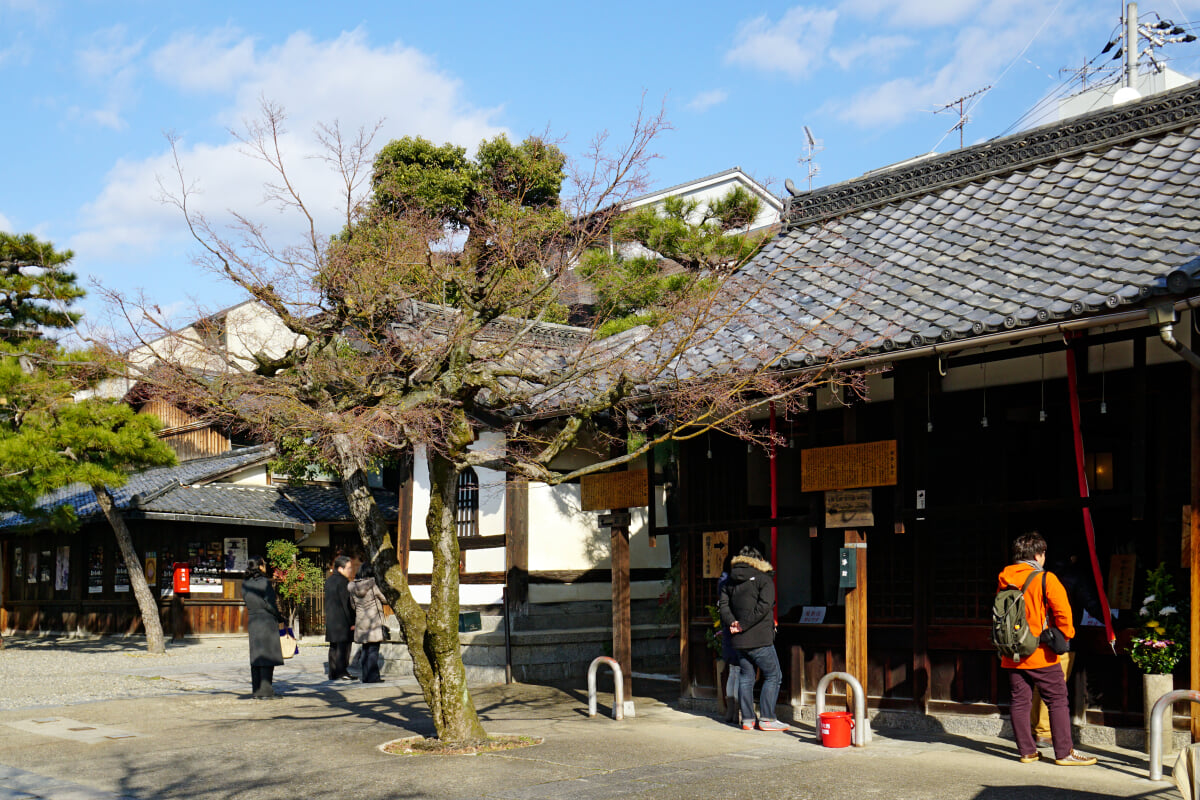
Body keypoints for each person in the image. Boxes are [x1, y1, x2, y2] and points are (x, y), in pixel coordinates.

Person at [998, 531, 1096, 766]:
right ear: (1039, 555)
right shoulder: (1046, 578)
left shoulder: (1005, 577)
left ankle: (1027, 752)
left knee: (1020, 700)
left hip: (1012, 651)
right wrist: (1064, 637)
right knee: (1058, 699)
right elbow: (1064, 613)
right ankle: (1064, 752)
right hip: (1040, 652)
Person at [1030, 552, 1103, 748]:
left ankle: (1036, 727)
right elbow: (1091, 604)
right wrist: (1113, 622)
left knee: (1040, 683)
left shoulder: (1041, 575)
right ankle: (1044, 732)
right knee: (1054, 686)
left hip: (1040, 635)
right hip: (1062, 638)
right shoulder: (1074, 576)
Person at [718, 545, 788, 732]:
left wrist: (733, 622)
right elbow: (764, 607)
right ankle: (767, 718)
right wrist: (744, 624)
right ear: (759, 560)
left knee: (746, 676)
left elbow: (723, 606)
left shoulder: (729, 581)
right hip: (759, 639)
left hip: (738, 640)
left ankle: (747, 720)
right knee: (774, 675)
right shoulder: (764, 580)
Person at [242, 556, 284, 699]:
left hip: (253, 619)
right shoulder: (264, 582)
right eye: (264, 564)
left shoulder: (245, 583)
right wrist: (279, 617)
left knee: (256, 656)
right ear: (260, 566)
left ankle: (257, 690)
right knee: (267, 655)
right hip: (266, 620)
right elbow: (270, 604)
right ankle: (266, 691)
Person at [349, 563, 389, 683]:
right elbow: (385, 600)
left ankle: (365, 676)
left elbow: (352, 605)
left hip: (361, 621)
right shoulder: (372, 586)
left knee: (365, 649)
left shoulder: (353, 588)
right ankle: (373, 677)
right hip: (373, 622)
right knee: (373, 650)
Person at [716, 556, 740, 724]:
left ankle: (730, 711)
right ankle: (736, 710)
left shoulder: (721, 581)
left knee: (732, 671)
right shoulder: (731, 583)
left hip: (726, 631)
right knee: (739, 672)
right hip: (736, 630)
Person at [324, 554, 356, 680]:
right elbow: (346, 604)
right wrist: (352, 621)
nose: (350, 571)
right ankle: (342, 672)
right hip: (342, 620)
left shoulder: (329, 581)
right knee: (343, 648)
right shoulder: (343, 582)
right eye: (348, 568)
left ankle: (333, 672)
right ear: (340, 568)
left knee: (333, 647)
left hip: (331, 618)